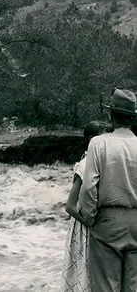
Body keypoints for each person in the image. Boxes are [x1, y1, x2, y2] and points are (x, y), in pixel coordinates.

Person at [79, 89, 137, 292]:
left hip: (107, 221)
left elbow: (88, 187)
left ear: (110, 116)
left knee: (105, 287)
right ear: (133, 118)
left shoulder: (99, 143)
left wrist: (90, 217)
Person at [62, 121, 111, 292]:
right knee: (84, 277)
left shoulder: (97, 163)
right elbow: (69, 206)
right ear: (92, 140)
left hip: (95, 225)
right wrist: (90, 223)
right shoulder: (84, 166)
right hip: (85, 227)